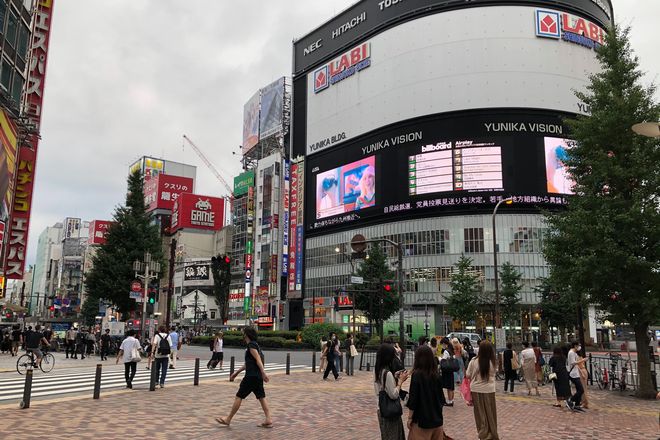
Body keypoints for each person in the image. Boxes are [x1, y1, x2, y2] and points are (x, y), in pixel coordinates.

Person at [216, 327, 272, 429]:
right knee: (261, 397)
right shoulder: (255, 345)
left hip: (251, 376)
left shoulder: (251, 345)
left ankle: (228, 419)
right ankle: (268, 419)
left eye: (244, 333)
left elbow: (258, 359)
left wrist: (263, 372)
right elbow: (249, 363)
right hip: (257, 376)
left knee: (239, 396)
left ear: (247, 334)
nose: (243, 334)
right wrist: (237, 372)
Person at [406, 345, 447, 440]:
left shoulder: (417, 375)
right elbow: (441, 399)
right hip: (437, 421)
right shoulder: (436, 375)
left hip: (421, 421)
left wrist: (410, 418)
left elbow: (413, 399)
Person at [466, 340, 500, 440]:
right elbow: (494, 373)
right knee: (491, 413)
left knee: (480, 414)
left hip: (476, 390)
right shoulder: (492, 362)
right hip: (489, 390)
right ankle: (492, 434)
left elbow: (468, 375)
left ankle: (483, 434)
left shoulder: (474, 361)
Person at [374, 343, 408, 440]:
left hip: (381, 408)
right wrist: (400, 382)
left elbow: (383, 386)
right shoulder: (387, 373)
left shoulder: (378, 370)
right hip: (390, 411)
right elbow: (393, 394)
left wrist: (396, 376)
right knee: (394, 436)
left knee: (386, 436)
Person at [566, 341, 586, 412]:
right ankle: (570, 400)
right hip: (573, 374)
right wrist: (582, 360)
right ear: (575, 346)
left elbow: (576, 365)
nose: (579, 347)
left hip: (576, 373)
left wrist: (581, 373)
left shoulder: (574, 353)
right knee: (581, 390)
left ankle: (577, 405)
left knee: (579, 389)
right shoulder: (571, 353)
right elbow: (573, 363)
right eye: (578, 345)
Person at [439, 337, 456, 406]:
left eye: (442, 344)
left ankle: (449, 401)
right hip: (451, 370)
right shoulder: (451, 350)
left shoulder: (446, 351)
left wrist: (439, 358)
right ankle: (451, 400)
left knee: (449, 387)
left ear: (444, 344)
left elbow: (443, 360)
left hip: (447, 370)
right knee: (451, 386)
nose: (442, 346)